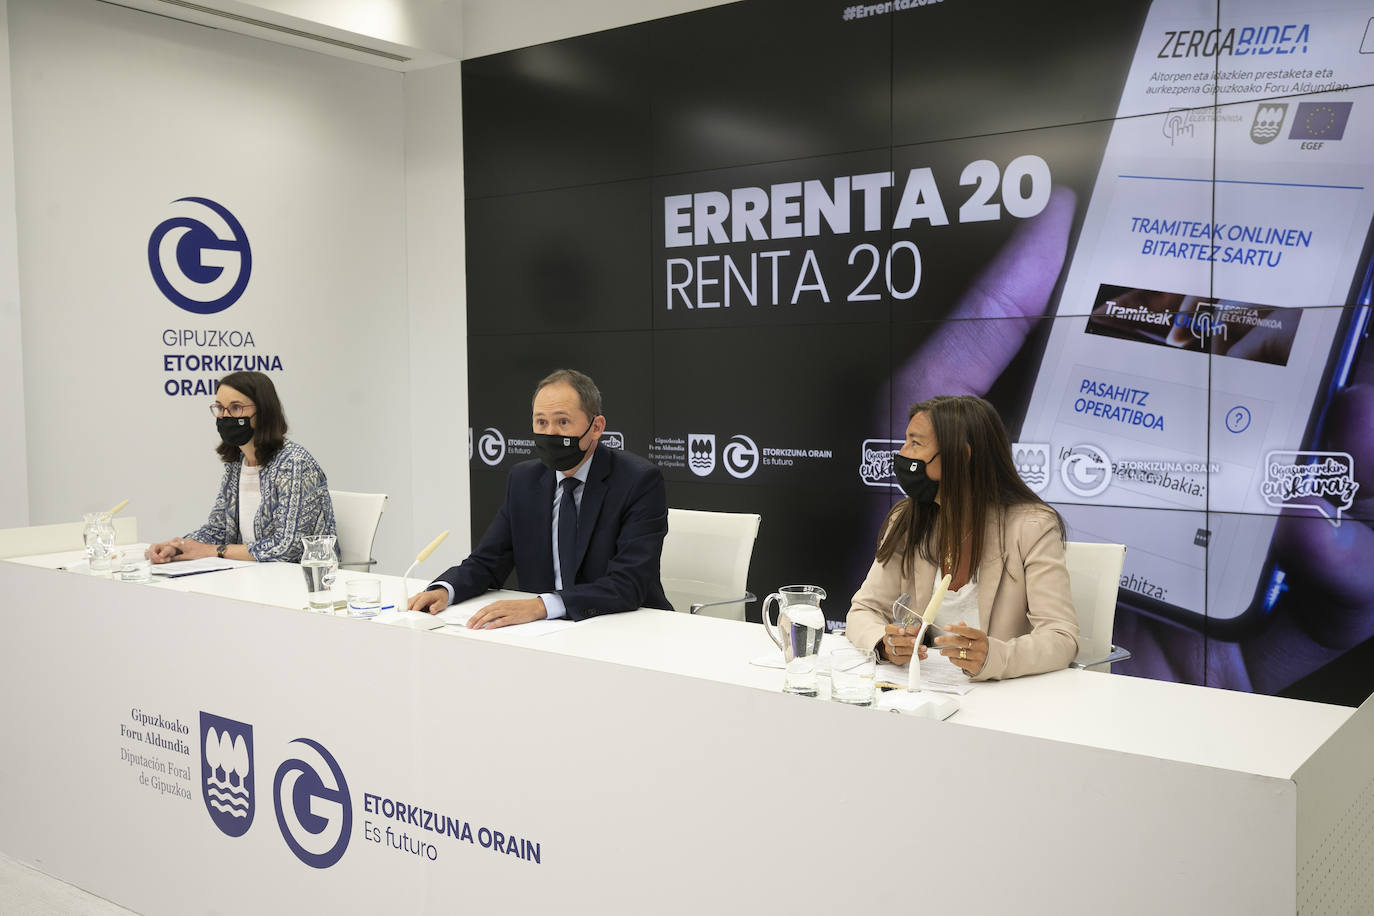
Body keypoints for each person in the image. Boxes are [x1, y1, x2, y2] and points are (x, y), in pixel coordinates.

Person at [408, 369, 671, 627]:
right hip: (544, 632)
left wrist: (542, 606)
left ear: (596, 427)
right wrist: (445, 589)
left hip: (626, 627)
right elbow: (488, 561)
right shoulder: (524, 480)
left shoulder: (637, 481)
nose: (551, 433)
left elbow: (628, 583)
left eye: (563, 422)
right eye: (541, 422)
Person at [847, 395, 1078, 681]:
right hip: (928, 694)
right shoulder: (908, 520)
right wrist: (885, 643)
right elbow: (864, 610)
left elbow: (1061, 637)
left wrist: (994, 657)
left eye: (915, 443)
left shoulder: (1031, 527)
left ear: (962, 455)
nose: (903, 453)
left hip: (1006, 700)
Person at [147, 371, 336, 564]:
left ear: (263, 412)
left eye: (236, 408)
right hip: (252, 577)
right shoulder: (237, 464)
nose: (225, 416)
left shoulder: (294, 464)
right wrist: (178, 546)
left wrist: (214, 551)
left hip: (301, 581)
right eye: (220, 408)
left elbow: (289, 548)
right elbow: (219, 530)